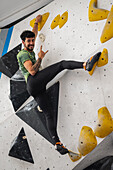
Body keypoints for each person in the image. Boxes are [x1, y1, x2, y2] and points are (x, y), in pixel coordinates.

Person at [17, 15, 101, 155]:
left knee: (49, 114)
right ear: (23, 42)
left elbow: (34, 33)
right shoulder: (22, 54)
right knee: (61, 65)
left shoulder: (29, 43)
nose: (32, 43)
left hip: (36, 88)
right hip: (34, 81)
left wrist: (37, 23)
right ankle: (86, 65)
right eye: (29, 41)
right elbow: (32, 71)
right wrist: (40, 58)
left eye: (32, 40)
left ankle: (57, 143)